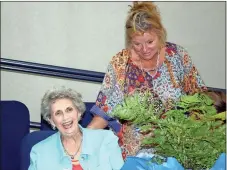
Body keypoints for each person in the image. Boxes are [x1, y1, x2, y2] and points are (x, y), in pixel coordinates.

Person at [87, 1, 208, 159]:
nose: (144, 50)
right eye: (137, 44)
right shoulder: (120, 63)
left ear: (160, 34)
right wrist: (80, 141)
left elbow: (199, 102)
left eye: (150, 42)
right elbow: (104, 113)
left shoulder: (177, 56)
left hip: (177, 149)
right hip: (134, 154)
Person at [28, 86, 124, 170]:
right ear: (51, 120)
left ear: (79, 113)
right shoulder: (39, 153)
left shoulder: (106, 140)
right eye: (58, 113)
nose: (65, 118)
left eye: (69, 110)